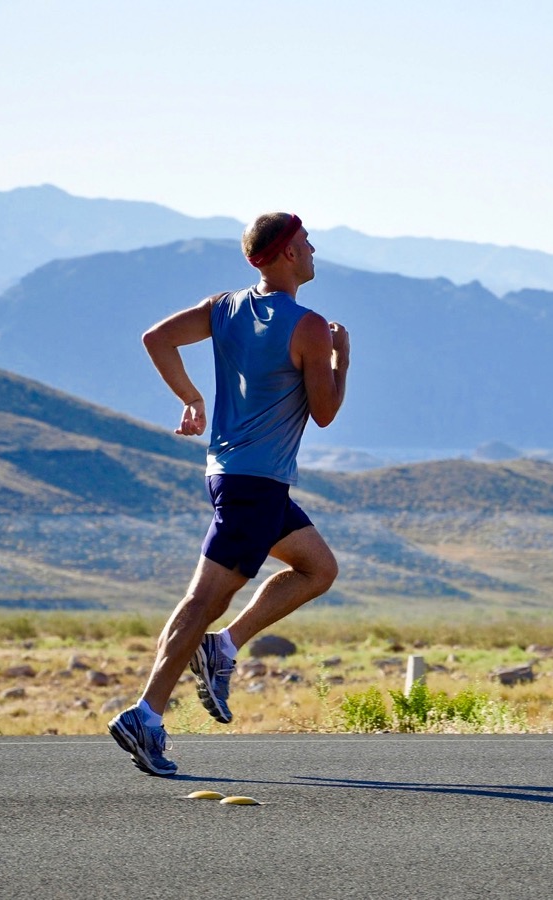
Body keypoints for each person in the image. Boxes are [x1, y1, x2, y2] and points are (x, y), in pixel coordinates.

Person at [108, 212, 349, 775]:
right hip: (255, 485)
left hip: (234, 476)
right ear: (287, 253)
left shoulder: (225, 307)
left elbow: (156, 338)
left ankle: (222, 647)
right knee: (203, 601)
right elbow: (325, 412)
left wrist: (191, 398)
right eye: (307, 243)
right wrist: (342, 356)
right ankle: (146, 714)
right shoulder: (310, 327)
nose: (314, 251)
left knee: (318, 569)